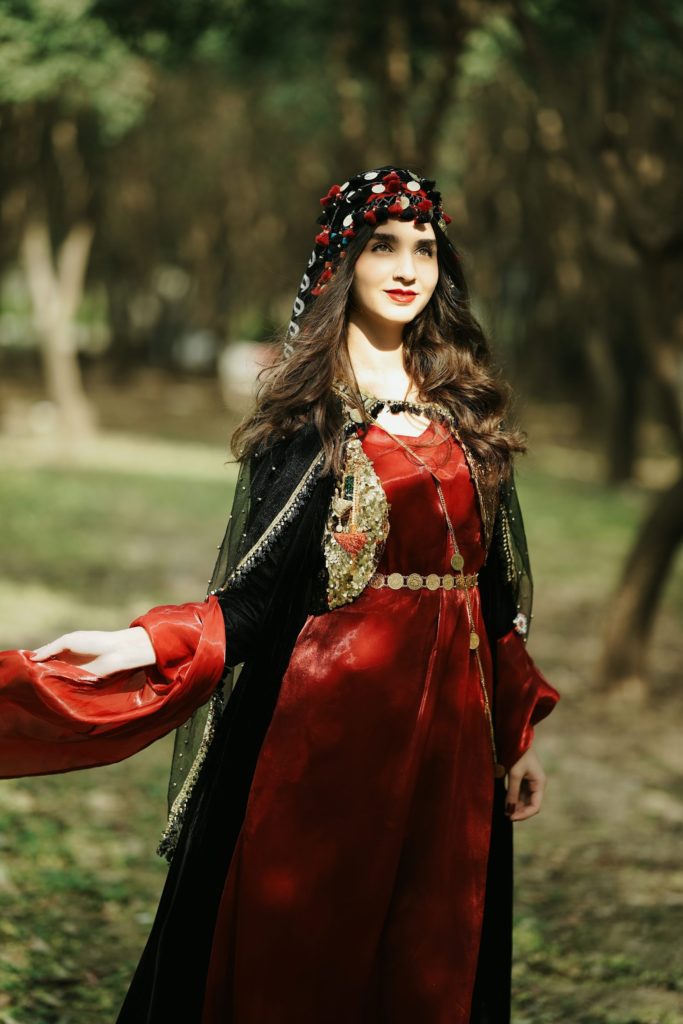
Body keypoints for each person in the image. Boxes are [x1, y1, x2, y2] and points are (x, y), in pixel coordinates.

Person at [0, 165, 559, 1023]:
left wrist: (513, 733)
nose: (408, 265)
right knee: (308, 945)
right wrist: (137, 643)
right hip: (329, 726)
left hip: (453, 727)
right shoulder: (312, 415)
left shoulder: (463, 409)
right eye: (383, 245)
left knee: (432, 939)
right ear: (343, 261)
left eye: (424, 247)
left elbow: (489, 589)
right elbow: (255, 597)